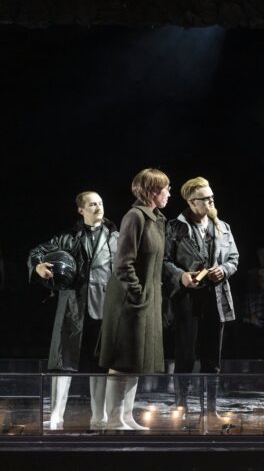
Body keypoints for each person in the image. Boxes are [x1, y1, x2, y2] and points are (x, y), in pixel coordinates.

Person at [28, 191, 118, 430]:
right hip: (73, 306)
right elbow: (37, 252)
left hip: (104, 306)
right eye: (92, 204)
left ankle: (99, 417)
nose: (98, 207)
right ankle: (56, 416)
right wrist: (38, 267)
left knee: (100, 363)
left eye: (100, 203)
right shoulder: (68, 237)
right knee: (63, 362)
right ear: (81, 210)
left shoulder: (115, 236)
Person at [99, 168, 170, 430]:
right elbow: (123, 263)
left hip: (146, 301)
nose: (169, 194)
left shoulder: (156, 219)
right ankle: (114, 419)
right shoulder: (135, 217)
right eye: (166, 189)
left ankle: (126, 416)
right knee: (123, 359)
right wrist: (138, 293)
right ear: (152, 192)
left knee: (137, 360)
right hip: (129, 302)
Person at [163, 177, 239, 420]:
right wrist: (181, 276)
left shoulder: (222, 227)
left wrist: (224, 270)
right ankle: (181, 406)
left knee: (212, 356)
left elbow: (234, 259)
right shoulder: (175, 227)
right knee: (185, 355)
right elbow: (164, 261)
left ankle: (211, 409)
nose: (211, 201)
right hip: (187, 298)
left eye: (212, 197)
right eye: (205, 199)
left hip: (215, 297)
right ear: (191, 202)